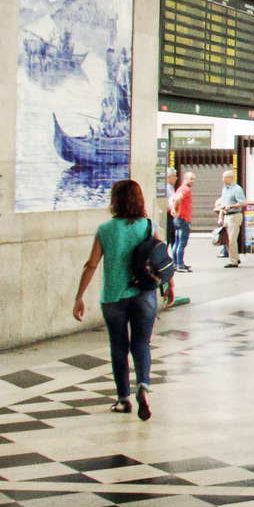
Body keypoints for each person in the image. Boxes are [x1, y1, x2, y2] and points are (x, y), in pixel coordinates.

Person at [72, 179, 160, 420]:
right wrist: (169, 285)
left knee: (118, 347)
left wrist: (79, 296)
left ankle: (123, 398)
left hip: (113, 296)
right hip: (144, 294)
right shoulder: (148, 227)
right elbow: (162, 259)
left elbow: (91, 265)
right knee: (141, 343)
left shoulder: (105, 230)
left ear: (115, 201)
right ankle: (142, 384)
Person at [215, 169, 246, 268]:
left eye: (225, 177)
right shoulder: (225, 189)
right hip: (226, 216)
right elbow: (222, 204)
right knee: (226, 240)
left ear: (231, 178)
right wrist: (220, 217)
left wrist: (231, 206)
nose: (223, 179)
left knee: (232, 239)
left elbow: (243, 203)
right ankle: (235, 258)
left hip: (234, 216)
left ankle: (233, 261)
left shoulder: (237, 189)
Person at [170, 171, 195, 272]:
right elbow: (177, 199)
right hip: (183, 219)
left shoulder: (180, 188)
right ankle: (179, 264)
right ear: (185, 179)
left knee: (177, 242)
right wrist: (175, 209)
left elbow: (173, 199)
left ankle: (176, 264)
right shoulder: (186, 189)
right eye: (191, 179)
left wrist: (174, 209)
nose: (193, 181)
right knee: (181, 243)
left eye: (193, 179)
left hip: (178, 218)